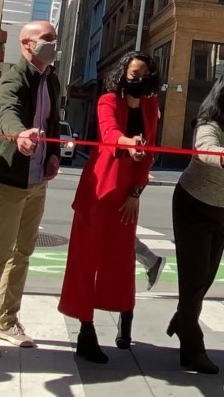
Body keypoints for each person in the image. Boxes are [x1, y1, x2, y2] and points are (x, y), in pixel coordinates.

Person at [0, 21, 63, 358]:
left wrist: (52, 155)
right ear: (26, 44)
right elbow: (6, 112)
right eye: (47, 39)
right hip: (8, 180)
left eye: (54, 38)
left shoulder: (51, 80)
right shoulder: (11, 78)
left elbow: (52, 122)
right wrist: (19, 134)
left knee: (23, 253)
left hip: (37, 181)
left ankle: (8, 321)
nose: (53, 44)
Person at [59, 51, 160, 363]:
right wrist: (127, 143)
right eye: (133, 73)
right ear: (123, 73)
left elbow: (151, 151)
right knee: (85, 261)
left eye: (144, 74)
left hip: (127, 195)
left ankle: (124, 320)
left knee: (121, 261)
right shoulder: (106, 100)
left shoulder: (150, 105)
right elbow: (109, 132)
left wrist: (136, 192)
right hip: (99, 191)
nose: (138, 79)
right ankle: (85, 331)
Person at [169, 66, 224, 374]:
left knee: (205, 279)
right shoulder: (208, 122)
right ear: (223, 93)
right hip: (193, 205)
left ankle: (182, 321)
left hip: (222, 209)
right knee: (192, 283)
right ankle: (193, 346)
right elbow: (205, 150)